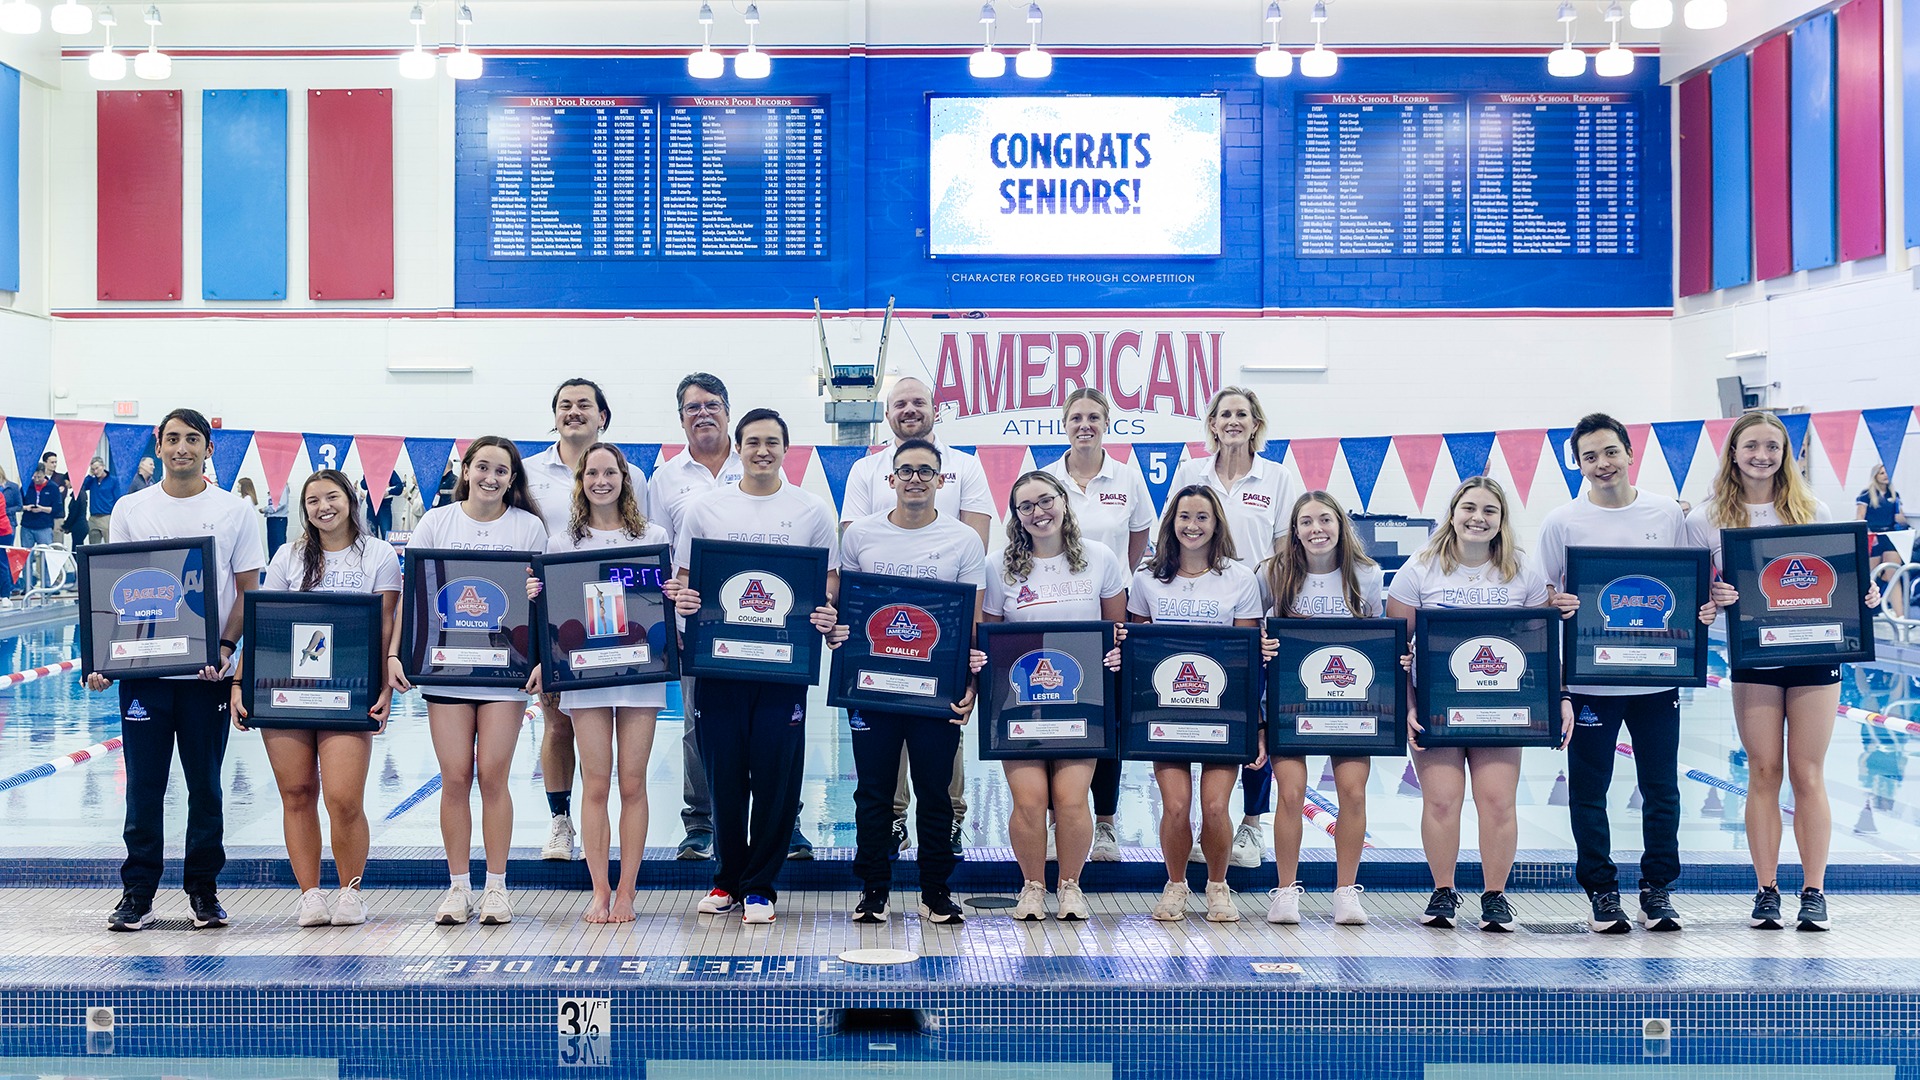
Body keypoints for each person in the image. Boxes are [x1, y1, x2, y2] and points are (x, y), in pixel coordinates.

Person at [1689, 411, 1881, 931]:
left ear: (1786, 454)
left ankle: (1814, 892)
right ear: (1733, 451)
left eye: (1773, 446)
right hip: (1755, 655)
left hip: (1814, 654)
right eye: (1751, 445)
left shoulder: (1811, 508)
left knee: (1808, 772)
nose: (1762, 455)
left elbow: (1835, 577)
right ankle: (1766, 890)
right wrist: (1713, 595)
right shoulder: (1706, 519)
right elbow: (1694, 593)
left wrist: (1864, 595)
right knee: (1763, 771)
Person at [86, 408, 266, 932]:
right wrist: (104, 660)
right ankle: (138, 894)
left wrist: (225, 648)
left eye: (192, 438)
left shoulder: (235, 512)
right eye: (172, 439)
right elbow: (115, 587)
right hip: (145, 675)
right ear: (158, 446)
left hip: (206, 677)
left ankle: (203, 892)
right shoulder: (132, 508)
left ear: (209, 448)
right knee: (143, 787)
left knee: (205, 788)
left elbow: (248, 591)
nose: (181, 447)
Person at [1537, 414, 1716, 934]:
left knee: (1661, 788)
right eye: (1589, 456)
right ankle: (1601, 891)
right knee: (1589, 790)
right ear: (1578, 464)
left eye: (1610, 452)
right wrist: (1556, 602)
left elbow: (1686, 582)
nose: (1602, 464)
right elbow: (1543, 593)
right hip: (1590, 679)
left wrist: (1702, 609)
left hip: (1657, 678)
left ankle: (1657, 888)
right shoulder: (1562, 521)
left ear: (1630, 453)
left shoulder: (1666, 512)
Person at [668, 408, 842, 925]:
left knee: (775, 775)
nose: (762, 450)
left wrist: (825, 607)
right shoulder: (707, 508)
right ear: (738, 447)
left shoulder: (811, 510)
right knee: (723, 775)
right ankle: (726, 879)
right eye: (753, 442)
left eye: (772, 442)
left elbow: (829, 580)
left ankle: (761, 886)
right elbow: (685, 577)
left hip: (783, 666)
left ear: (786, 449)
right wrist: (684, 599)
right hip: (719, 664)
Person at [389, 436, 546, 927]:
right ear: (467, 471)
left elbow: (542, 600)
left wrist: (542, 659)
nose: (490, 477)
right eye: (483, 467)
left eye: (501, 470)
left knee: (493, 775)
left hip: (505, 671)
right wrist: (396, 653)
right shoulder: (437, 522)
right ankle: (458, 886)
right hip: (447, 668)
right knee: (455, 776)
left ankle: (497, 887)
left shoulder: (528, 527)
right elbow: (415, 594)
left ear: (512, 479)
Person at [231, 470, 399, 927]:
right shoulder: (288, 556)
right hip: (286, 690)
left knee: (344, 798)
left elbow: (386, 626)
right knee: (297, 793)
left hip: (350, 692)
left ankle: (351, 892)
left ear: (351, 500)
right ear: (303, 510)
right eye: (312, 501)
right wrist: (239, 683)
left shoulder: (378, 555)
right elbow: (263, 623)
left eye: (332, 497)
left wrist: (385, 688)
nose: (323, 507)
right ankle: (309, 895)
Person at [1386, 476, 1550, 933]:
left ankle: (1495, 896)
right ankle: (1443, 891)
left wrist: (1550, 703)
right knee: (1441, 802)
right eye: (1470, 508)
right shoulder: (1420, 568)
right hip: (1436, 708)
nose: (1478, 518)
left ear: (1501, 520)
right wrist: (1409, 707)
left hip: (1503, 707)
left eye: (1489, 510)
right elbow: (1395, 650)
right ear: (1453, 513)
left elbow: (1542, 647)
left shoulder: (1521, 570)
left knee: (1497, 802)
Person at [841, 378, 994, 861]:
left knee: (942, 727)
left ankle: (949, 818)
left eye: (918, 402)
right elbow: (855, 550)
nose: (909, 410)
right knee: (885, 727)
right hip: (881, 624)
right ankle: (891, 819)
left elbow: (975, 544)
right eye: (900, 404)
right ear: (887, 414)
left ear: (935, 409)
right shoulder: (866, 469)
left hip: (942, 622)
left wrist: (959, 643)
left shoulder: (966, 466)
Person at [975, 470, 1127, 921]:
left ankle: (1070, 885)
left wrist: (1116, 653)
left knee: (1072, 799)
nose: (1038, 512)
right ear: (1016, 515)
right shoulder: (998, 566)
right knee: (1029, 801)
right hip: (1019, 702)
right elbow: (989, 637)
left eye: (1045, 501)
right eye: (1026, 506)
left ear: (1062, 500)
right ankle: (1032, 886)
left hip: (1083, 699)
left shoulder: (1099, 558)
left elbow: (1117, 630)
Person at [528, 443, 667, 924]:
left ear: (625, 479)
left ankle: (627, 891)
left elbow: (655, 605)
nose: (601, 481)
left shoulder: (652, 536)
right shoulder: (563, 543)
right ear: (580, 480)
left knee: (632, 782)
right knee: (595, 784)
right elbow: (553, 613)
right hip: (586, 674)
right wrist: (537, 597)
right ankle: (600, 891)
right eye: (592, 473)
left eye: (610, 473)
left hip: (639, 671)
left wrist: (669, 593)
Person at [1170, 387, 1302, 869]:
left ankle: (1251, 823)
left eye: (1242, 414)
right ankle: (1204, 822)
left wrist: (1272, 606)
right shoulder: (1191, 471)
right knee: (1200, 707)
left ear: (1255, 423)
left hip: (1255, 609)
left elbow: (1287, 548)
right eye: (1224, 413)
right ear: (1212, 423)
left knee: (1253, 712)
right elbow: (1176, 530)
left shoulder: (1277, 477)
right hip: (1199, 610)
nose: (1232, 421)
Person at [524, 379, 648, 865]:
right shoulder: (529, 472)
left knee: (619, 760)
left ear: (603, 416)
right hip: (558, 616)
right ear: (554, 414)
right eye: (564, 405)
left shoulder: (633, 474)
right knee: (556, 723)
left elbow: (641, 552)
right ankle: (561, 821)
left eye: (584, 405)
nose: (573, 412)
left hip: (617, 621)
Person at [1130, 485, 1267, 923]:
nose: (1192, 526)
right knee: (1175, 806)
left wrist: (1256, 724)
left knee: (1214, 806)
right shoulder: (1146, 578)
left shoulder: (1239, 578)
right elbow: (1137, 652)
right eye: (1184, 517)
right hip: (1165, 711)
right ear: (1171, 523)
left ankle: (1217, 886)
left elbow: (1247, 659)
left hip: (1222, 712)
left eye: (1202, 517)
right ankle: (1175, 885)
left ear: (1217, 523)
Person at [1263, 490, 1388, 927]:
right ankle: (1284, 892)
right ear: (1295, 531)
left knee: (1353, 792)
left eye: (1325, 520)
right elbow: (1251, 630)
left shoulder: (1366, 575)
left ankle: (1345, 891)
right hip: (1289, 701)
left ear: (1340, 525)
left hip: (1349, 703)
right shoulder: (1273, 573)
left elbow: (1377, 640)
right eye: (1306, 522)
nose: (1317, 529)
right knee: (1291, 793)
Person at [1043, 386, 1154, 862]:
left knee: (1105, 717)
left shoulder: (1126, 478)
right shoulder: (1047, 478)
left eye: (1093, 417)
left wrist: (1115, 580)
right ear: (1064, 424)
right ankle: (1056, 822)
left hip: (1106, 612)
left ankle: (1105, 823)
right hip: (1053, 611)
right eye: (1076, 417)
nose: (1084, 425)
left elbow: (1139, 536)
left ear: (1107, 422)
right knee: (1053, 713)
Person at [646, 373, 743, 862]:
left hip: (759, 618)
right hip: (694, 623)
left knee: (770, 723)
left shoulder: (755, 460)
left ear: (727, 411)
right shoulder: (665, 479)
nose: (703, 413)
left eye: (712, 404)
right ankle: (700, 821)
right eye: (692, 407)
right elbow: (657, 556)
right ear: (681, 418)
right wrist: (670, 625)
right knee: (696, 725)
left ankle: (783, 821)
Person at [1857, 464, 1909, 616]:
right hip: (1873, 536)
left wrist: (1903, 517)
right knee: (1870, 576)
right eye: (1881, 473)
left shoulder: (1894, 495)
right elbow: (1860, 517)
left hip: (1890, 536)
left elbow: (1899, 518)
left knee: (1893, 575)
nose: (1885, 476)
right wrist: (1866, 534)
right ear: (1875, 476)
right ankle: (1870, 613)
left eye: (1887, 473)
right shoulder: (1866, 495)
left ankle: (1900, 615)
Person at [18, 465, 64, 591]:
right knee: (26, 556)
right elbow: (19, 504)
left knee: (47, 556)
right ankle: (27, 586)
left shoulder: (52, 487)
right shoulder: (27, 486)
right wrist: (26, 508)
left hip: (44, 526)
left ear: (44, 474)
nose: (36, 479)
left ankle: (47, 584)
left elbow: (57, 509)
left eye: (39, 477)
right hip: (27, 525)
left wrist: (42, 509)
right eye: (34, 477)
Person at [80, 458, 122, 546]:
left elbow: (117, 499)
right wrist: (89, 475)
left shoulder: (113, 480)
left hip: (106, 516)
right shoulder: (92, 481)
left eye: (97, 468)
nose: (96, 471)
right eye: (93, 469)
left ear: (103, 466)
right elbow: (81, 487)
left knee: (109, 544)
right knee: (93, 545)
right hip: (94, 517)